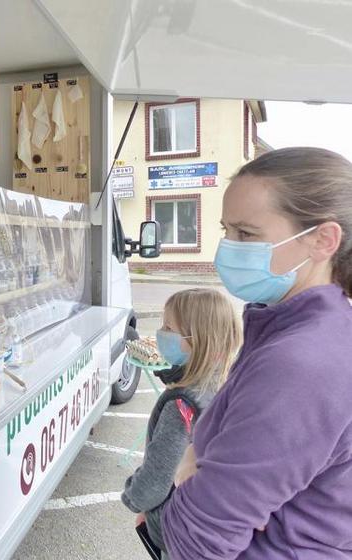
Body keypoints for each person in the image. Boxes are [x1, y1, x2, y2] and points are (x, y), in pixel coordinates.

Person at [162, 147, 352, 559]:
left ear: (323, 240)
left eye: (246, 234)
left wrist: (193, 474)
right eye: (226, 230)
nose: (227, 249)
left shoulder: (302, 362)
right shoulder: (291, 327)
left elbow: (202, 538)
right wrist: (194, 464)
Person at [122, 289, 241, 559]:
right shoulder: (225, 387)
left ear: (198, 341)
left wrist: (133, 498)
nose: (160, 332)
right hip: (209, 527)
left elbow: (156, 478)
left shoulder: (181, 406)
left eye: (168, 327)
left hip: (176, 531)